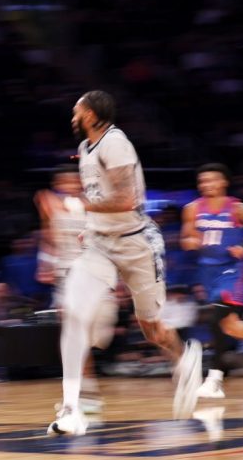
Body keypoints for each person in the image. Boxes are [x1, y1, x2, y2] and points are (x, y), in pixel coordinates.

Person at [50, 90, 199, 437]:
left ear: (89, 115)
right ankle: (71, 409)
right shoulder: (86, 148)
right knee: (72, 313)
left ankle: (184, 355)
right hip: (101, 246)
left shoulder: (116, 143)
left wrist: (83, 207)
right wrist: (91, 227)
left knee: (151, 329)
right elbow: (100, 197)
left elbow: (126, 199)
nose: (72, 118)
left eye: (76, 112)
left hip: (137, 244)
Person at [181, 163, 243, 399]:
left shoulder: (238, 208)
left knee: (216, 320)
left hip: (232, 271)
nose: (206, 185)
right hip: (207, 272)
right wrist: (190, 242)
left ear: (224, 182)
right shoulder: (192, 209)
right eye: (202, 181)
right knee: (228, 325)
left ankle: (214, 380)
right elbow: (187, 238)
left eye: (212, 180)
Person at [36, 165, 118, 414]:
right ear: (58, 184)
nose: (70, 184)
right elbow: (48, 237)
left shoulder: (98, 204)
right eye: (64, 181)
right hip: (67, 276)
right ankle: (85, 395)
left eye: (75, 180)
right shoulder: (48, 202)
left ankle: (86, 393)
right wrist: (45, 263)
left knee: (97, 336)